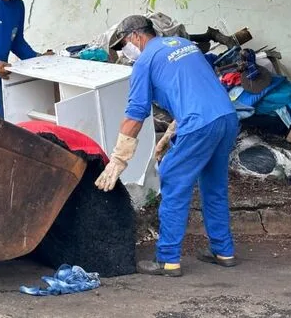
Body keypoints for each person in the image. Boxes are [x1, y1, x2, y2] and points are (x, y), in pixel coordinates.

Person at [95, 15, 239, 277]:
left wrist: (118, 158)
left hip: (199, 124)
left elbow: (136, 113)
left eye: (123, 44)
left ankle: (168, 260)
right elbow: (194, 90)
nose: (124, 51)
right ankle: (223, 250)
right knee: (214, 184)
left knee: (173, 180)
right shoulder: (184, 45)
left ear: (137, 36)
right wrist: (168, 137)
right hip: (226, 118)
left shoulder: (145, 62)